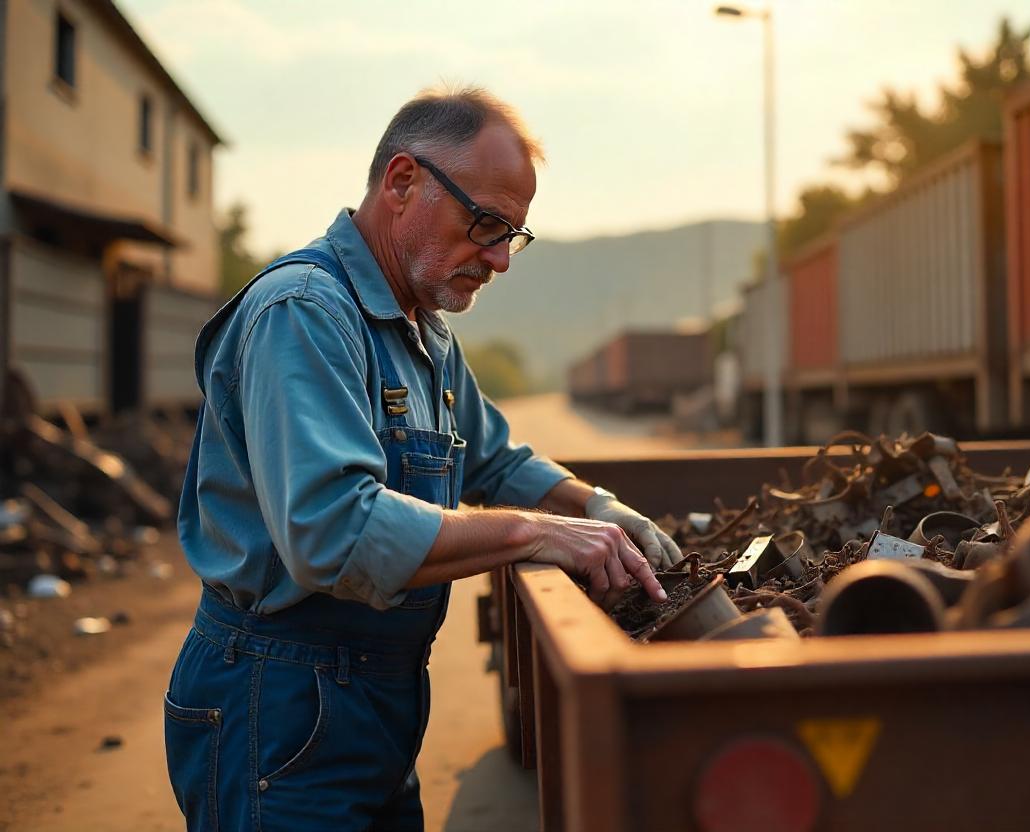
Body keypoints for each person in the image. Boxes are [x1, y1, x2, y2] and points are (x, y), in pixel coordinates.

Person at [165, 86, 679, 831]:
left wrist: (592, 504)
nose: (500, 258)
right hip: (276, 704)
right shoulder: (305, 313)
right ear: (403, 182)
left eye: (514, 235)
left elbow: (495, 461)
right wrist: (533, 535)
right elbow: (333, 530)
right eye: (487, 224)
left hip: (369, 700)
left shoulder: (421, 328)